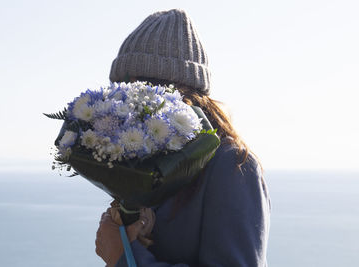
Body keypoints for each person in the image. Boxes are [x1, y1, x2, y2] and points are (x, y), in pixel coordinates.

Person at [95, 9, 271, 267]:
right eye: (119, 88)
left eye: (131, 87)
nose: (121, 101)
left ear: (170, 88)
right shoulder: (148, 161)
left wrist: (124, 257)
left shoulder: (231, 166)